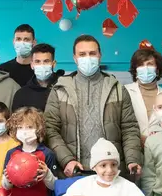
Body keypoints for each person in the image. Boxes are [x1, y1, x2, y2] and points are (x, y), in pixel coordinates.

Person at [45, 35, 142, 178]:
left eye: (92, 53)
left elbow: (130, 128)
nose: (88, 58)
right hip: (74, 172)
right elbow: (50, 129)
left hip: (111, 171)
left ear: (100, 55)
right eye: (82, 54)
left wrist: (132, 159)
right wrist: (67, 160)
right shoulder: (60, 90)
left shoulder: (117, 89)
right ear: (75, 58)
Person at [125, 48, 162, 144]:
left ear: (157, 70)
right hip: (132, 147)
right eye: (141, 65)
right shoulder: (125, 91)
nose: (145, 68)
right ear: (135, 70)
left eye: (150, 64)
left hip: (161, 148)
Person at [11, 43, 60, 112]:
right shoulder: (22, 94)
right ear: (32, 64)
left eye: (46, 61)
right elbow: (17, 121)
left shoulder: (62, 88)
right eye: (37, 61)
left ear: (53, 64)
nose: (42, 65)